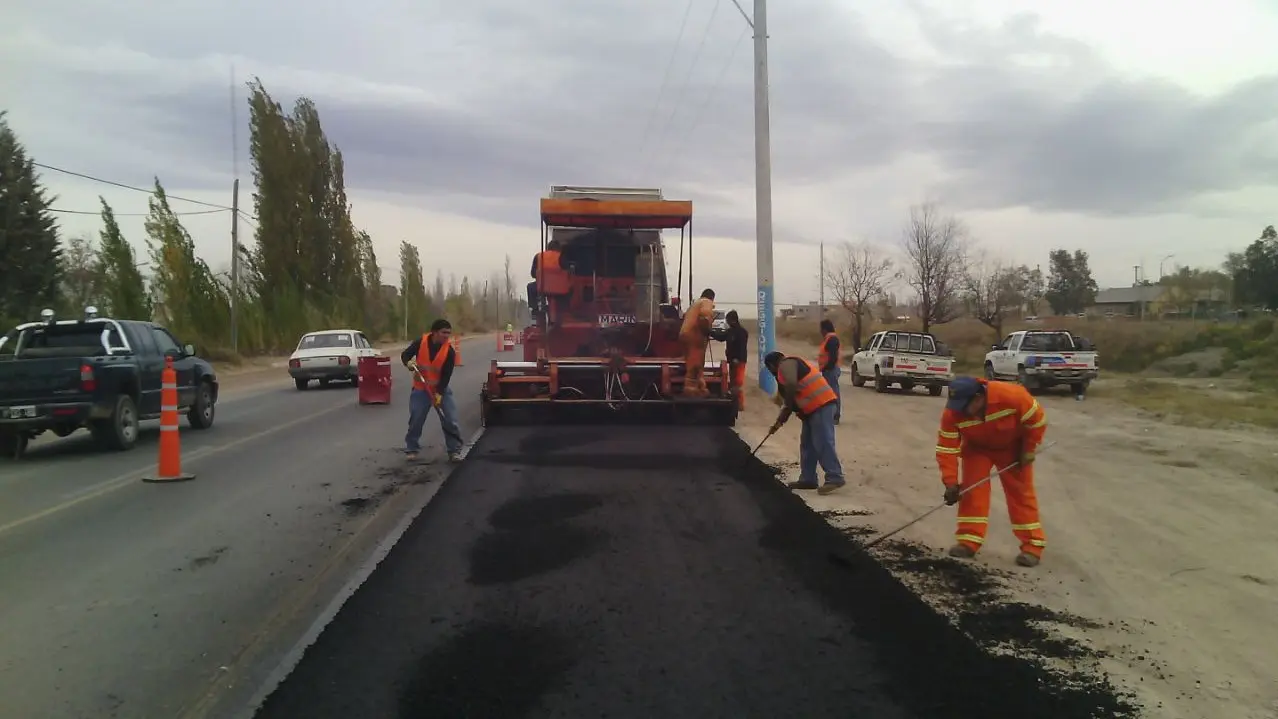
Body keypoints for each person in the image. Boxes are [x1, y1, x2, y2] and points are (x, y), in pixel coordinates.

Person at [935, 376, 1048, 567]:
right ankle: (968, 541)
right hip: (977, 450)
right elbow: (947, 448)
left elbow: (1037, 421)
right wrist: (951, 482)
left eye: (964, 405)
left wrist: (1028, 449)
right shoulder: (953, 413)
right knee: (971, 492)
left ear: (979, 397)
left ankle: (1032, 546)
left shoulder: (1013, 396)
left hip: (1013, 449)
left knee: (1020, 494)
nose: (960, 411)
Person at [764, 351, 845, 494]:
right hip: (811, 410)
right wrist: (779, 422)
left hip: (822, 404)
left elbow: (791, 385)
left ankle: (834, 477)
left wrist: (788, 404)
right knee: (807, 444)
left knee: (823, 441)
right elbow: (789, 403)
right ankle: (808, 479)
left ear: (771, 365)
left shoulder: (786, 364)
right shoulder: (786, 369)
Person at [402, 318, 464, 463]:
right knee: (416, 419)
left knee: (450, 419)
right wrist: (408, 363)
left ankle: (454, 451)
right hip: (421, 389)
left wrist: (439, 394)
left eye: (448, 333)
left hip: (439, 388)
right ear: (435, 332)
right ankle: (412, 448)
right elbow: (405, 355)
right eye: (444, 333)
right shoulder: (420, 343)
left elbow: (446, 376)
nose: (446, 336)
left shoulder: (449, 351)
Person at [678, 288, 716, 397]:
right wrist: (708, 329)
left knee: (694, 362)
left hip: (684, 334)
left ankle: (701, 386)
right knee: (695, 364)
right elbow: (704, 316)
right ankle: (690, 389)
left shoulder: (694, 304)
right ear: (712, 297)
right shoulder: (706, 302)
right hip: (694, 336)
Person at [527, 239, 564, 313]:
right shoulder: (563, 257)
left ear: (547, 248)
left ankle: (535, 309)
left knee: (530, 287)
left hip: (543, 287)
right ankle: (567, 309)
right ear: (559, 249)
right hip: (561, 288)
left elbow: (533, 274)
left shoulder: (539, 256)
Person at [817, 319, 842, 424]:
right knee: (829, 393)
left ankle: (835, 415)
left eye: (821, 329)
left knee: (833, 393)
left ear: (824, 329)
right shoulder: (829, 339)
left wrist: (827, 367)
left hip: (831, 370)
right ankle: (830, 415)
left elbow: (833, 356)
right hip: (828, 369)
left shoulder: (832, 339)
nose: (820, 331)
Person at [722, 310, 748, 409]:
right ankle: (734, 402)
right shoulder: (730, 331)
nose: (727, 322)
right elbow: (721, 337)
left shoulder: (742, 332)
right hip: (732, 362)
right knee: (732, 382)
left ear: (732, 320)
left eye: (727, 320)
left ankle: (740, 404)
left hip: (739, 362)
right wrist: (709, 332)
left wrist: (738, 358)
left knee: (738, 383)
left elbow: (742, 347)